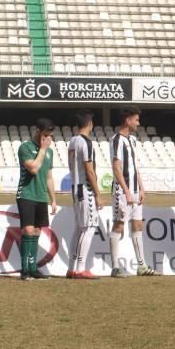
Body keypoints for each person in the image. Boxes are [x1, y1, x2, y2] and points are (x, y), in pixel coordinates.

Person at [109, 107, 156, 277]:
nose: (138, 123)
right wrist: (126, 191)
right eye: (136, 119)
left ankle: (141, 265)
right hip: (123, 192)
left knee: (137, 225)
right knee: (119, 225)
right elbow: (116, 167)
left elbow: (134, 166)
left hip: (135, 191)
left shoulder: (133, 140)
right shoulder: (116, 140)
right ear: (127, 120)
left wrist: (141, 188)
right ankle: (115, 267)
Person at [16, 118, 57, 281]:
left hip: (41, 196)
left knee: (38, 231)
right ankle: (24, 270)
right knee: (28, 230)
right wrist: (43, 149)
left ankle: (33, 269)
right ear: (37, 131)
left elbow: (48, 176)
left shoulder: (50, 152)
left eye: (50, 135)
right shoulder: (25, 147)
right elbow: (33, 169)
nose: (48, 138)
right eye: (45, 135)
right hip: (26, 194)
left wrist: (53, 199)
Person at [67, 110, 103, 279]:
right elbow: (89, 170)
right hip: (85, 189)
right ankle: (80, 268)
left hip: (75, 187)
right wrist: (97, 193)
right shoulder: (86, 142)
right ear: (90, 124)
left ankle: (71, 266)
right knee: (89, 227)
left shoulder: (72, 141)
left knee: (79, 228)